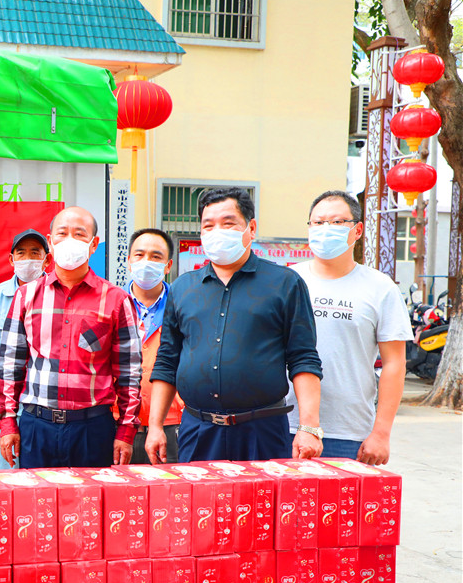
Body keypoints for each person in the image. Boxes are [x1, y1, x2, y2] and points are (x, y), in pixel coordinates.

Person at [147, 187, 324, 464]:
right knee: (199, 494)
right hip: (198, 430)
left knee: (262, 494)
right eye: (208, 225)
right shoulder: (183, 288)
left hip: (262, 431)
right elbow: (167, 360)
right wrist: (155, 426)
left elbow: (303, 358)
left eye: (228, 223)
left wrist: (309, 427)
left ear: (251, 228)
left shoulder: (284, 283)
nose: (217, 231)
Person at [0, 206, 142, 469]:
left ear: (94, 244)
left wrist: (126, 431)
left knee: (92, 496)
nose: (70, 240)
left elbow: (129, 372)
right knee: (37, 495)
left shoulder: (116, 300)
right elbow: (10, 365)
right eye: (62, 233)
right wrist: (8, 422)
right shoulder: (26, 296)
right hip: (36, 426)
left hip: (93, 429)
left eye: (79, 234)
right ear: (50, 241)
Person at [285, 190, 411, 465]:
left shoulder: (380, 288)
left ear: (357, 230)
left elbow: (394, 364)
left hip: (348, 432)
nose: (325, 229)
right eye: (318, 222)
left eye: (337, 222)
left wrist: (381, 433)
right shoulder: (287, 280)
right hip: (284, 425)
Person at [0, 229, 51, 470]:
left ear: (47, 259)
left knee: (42, 476)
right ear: (11, 259)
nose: (28, 259)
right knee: (5, 473)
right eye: (21, 253)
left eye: (35, 253)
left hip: (45, 405)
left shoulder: (57, 296)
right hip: (0, 404)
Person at [122, 228, 184, 464]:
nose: (146, 262)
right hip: (121, 427)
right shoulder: (112, 305)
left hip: (172, 426)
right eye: (139, 255)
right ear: (129, 261)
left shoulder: (183, 306)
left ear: (168, 265)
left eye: (156, 256)